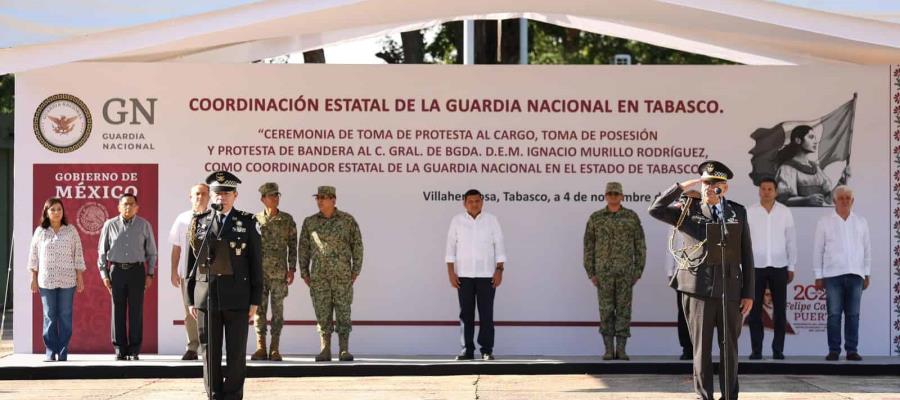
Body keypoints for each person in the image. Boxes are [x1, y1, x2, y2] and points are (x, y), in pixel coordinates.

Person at [649, 161, 754, 400]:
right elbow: (655, 208)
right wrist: (683, 186)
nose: (708, 187)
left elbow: (746, 253)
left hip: (730, 290)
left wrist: (749, 292)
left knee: (730, 349)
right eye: (705, 182)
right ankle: (703, 395)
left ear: (724, 188)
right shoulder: (687, 210)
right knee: (701, 349)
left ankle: (729, 396)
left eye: (713, 184)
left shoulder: (737, 212)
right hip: (697, 289)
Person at [187, 171, 263, 399]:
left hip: (237, 296)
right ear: (211, 195)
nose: (222, 198)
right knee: (209, 351)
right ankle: (214, 394)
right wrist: (191, 298)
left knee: (236, 352)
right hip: (206, 296)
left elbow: (256, 262)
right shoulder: (199, 222)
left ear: (235, 195)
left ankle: (233, 395)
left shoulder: (248, 223)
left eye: (227, 193)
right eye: (217, 194)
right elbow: (191, 262)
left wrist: (255, 299)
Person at [298, 186, 363, 362]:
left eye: (323, 198)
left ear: (333, 200)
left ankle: (344, 349)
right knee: (322, 313)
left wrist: (355, 270)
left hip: (342, 277)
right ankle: (325, 349)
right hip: (319, 277)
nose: (319, 201)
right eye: (317, 198)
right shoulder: (310, 222)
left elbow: (357, 246)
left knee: (343, 311)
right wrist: (304, 272)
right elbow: (303, 248)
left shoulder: (347, 220)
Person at [583, 182, 646, 360]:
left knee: (624, 311)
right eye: (610, 193)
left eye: (616, 194)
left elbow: (640, 246)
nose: (613, 196)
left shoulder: (631, 217)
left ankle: (622, 349)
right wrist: (591, 272)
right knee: (606, 311)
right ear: (605, 195)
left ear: (622, 196)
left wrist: (638, 271)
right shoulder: (596, 218)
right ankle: (609, 350)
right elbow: (588, 247)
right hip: (603, 274)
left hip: (626, 273)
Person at [445, 189, 506, 361]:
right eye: (470, 201)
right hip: (463, 275)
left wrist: (499, 270)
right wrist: (450, 272)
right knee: (466, 314)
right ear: (464, 203)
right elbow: (450, 248)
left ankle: (486, 350)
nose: (474, 204)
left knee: (486, 313)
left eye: (477, 201)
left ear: (482, 202)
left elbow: (499, 246)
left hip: (487, 275)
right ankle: (467, 350)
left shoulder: (491, 220)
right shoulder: (457, 221)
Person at [813, 185, 870, 361]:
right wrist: (818, 274)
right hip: (832, 275)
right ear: (834, 201)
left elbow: (867, 249)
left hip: (856, 274)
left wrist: (866, 273)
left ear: (852, 201)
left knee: (853, 315)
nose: (845, 201)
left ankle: (852, 350)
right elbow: (818, 250)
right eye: (841, 198)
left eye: (848, 198)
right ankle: (834, 350)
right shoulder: (824, 222)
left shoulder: (861, 222)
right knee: (834, 314)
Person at [98, 193, 157, 361]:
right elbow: (102, 252)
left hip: (137, 272)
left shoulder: (144, 225)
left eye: (131, 204)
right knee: (118, 310)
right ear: (118, 207)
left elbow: (152, 252)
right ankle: (120, 348)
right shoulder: (109, 225)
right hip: (116, 271)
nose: (128, 207)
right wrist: (104, 274)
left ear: (137, 207)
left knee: (136, 311)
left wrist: (150, 273)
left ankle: (134, 349)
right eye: (124, 204)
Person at [28, 198, 86, 362]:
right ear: (46, 212)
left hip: (68, 280)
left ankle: (62, 351)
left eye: (59, 209)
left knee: (65, 315)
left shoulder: (71, 230)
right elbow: (33, 256)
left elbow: (78, 254)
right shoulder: (40, 231)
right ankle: (50, 351)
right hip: (46, 280)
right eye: (52, 209)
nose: (56, 212)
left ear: (63, 212)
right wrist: (33, 277)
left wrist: (79, 277)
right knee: (49, 315)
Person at [747, 177, 797, 360]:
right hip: (755, 267)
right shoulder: (750, 212)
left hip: (779, 265)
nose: (767, 192)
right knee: (754, 310)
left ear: (776, 192)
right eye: (763, 188)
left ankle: (778, 350)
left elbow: (791, 241)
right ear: (759, 191)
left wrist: (791, 265)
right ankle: (756, 350)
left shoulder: (785, 212)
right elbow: (744, 241)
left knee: (780, 310)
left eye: (770, 189)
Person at [251, 182, 297, 362]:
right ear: (263, 199)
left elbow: (293, 246)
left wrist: (292, 268)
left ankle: (275, 348)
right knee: (259, 312)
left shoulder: (287, 219)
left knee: (278, 312)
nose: (275, 198)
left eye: (277, 195)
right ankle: (261, 347)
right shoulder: (254, 220)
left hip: (279, 275)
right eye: (271, 195)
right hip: (259, 275)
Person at [167, 183, 209, 361]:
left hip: (209, 274)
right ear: (190, 197)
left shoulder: (215, 218)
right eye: (196, 194)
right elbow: (176, 248)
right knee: (190, 312)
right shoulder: (182, 219)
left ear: (209, 197)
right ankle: (192, 347)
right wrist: (173, 271)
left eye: (203, 194)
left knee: (209, 311)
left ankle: (209, 347)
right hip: (188, 274)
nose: (200, 197)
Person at [663, 189, 700, 360]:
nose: (687, 203)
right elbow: (670, 248)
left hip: (702, 274)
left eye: (692, 200)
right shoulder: (675, 221)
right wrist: (670, 272)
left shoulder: (705, 220)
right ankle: (687, 348)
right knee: (684, 312)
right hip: (681, 273)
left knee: (701, 314)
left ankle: (700, 349)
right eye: (684, 200)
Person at [774, 125, 849, 206]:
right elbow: (782, 200)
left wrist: (842, 180)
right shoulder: (787, 169)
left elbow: (828, 200)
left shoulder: (816, 168)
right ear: (798, 140)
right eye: (811, 137)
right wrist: (805, 200)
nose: (815, 141)